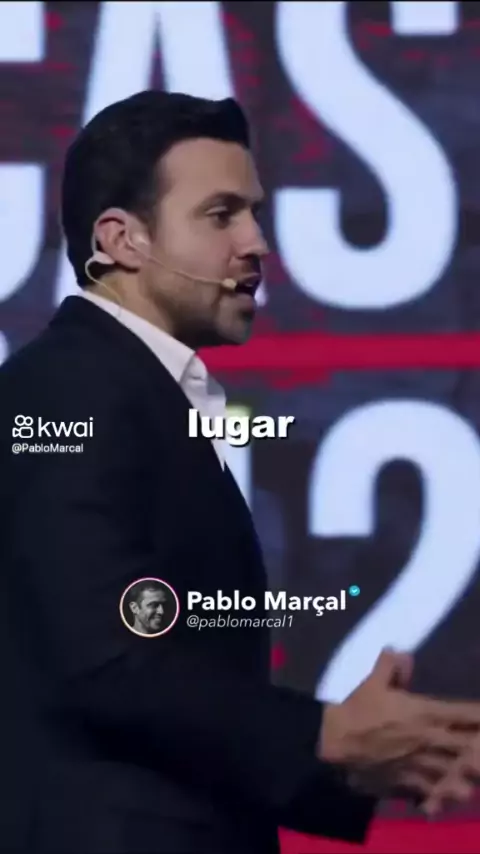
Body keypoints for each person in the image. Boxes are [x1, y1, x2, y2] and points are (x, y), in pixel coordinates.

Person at [1, 90, 480, 854]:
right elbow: (102, 657)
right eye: (220, 215)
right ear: (121, 240)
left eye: (254, 213)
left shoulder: (127, 388)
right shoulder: (68, 389)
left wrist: (352, 763)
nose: (257, 243)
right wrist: (322, 734)